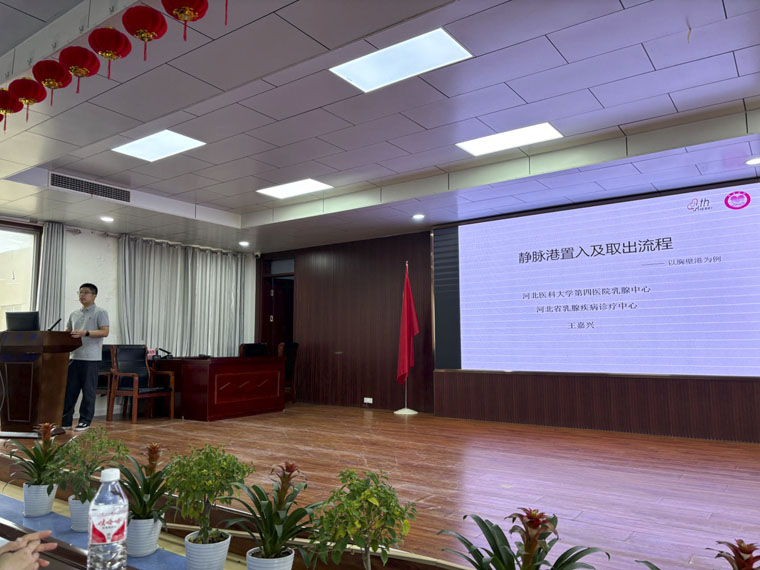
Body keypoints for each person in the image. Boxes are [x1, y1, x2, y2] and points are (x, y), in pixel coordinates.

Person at [61, 283, 110, 432]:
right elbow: (67, 332)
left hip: (91, 358)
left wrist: (85, 333)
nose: (82, 295)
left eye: (86, 292)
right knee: (70, 391)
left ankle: (85, 421)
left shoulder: (100, 312)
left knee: (88, 392)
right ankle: (65, 421)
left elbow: (105, 332)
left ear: (94, 296)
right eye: (80, 292)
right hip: (74, 357)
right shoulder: (74, 314)